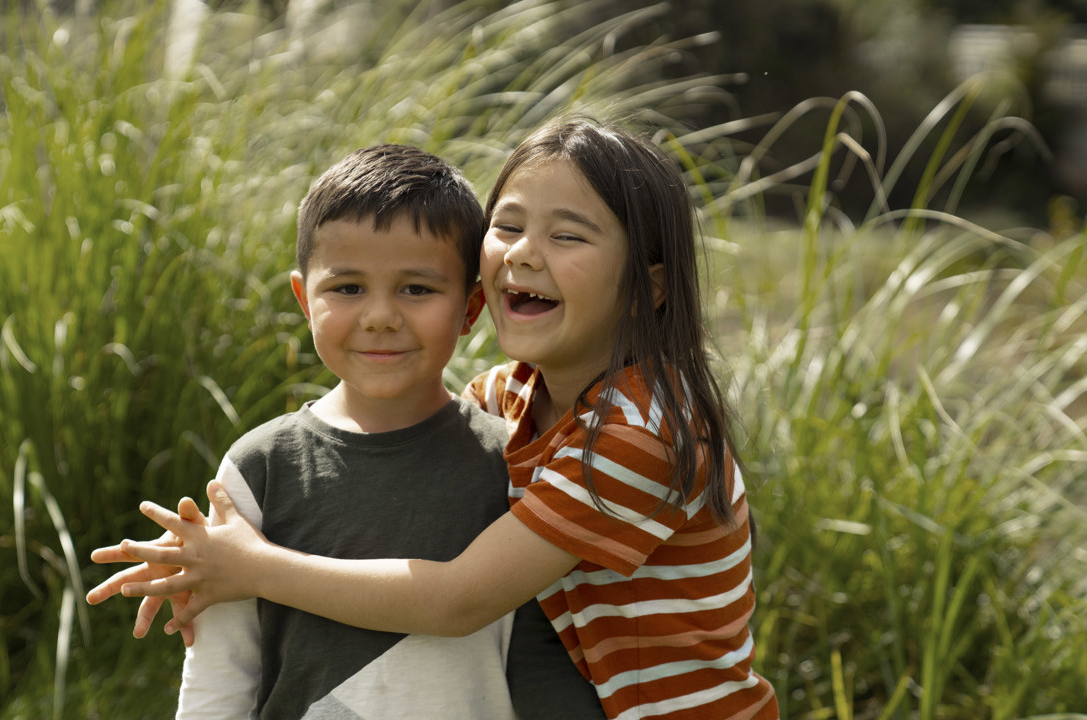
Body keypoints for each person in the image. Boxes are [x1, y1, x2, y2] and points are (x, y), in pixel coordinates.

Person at [99, 120, 780, 720]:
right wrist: (207, 569)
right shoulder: (510, 396)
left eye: (568, 235)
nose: (523, 253)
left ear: (649, 289)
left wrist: (250, 568)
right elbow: (406, 435)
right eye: (507, 226)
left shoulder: (644, 434)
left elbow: (456, 601)